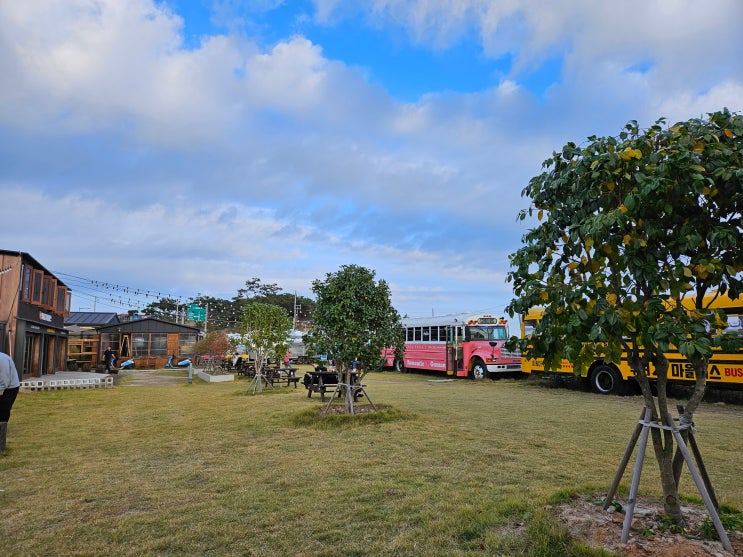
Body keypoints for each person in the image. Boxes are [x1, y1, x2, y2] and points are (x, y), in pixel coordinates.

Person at [0, 351, 21, 452]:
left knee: (3, 408)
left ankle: (2, 431)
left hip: (10, 388)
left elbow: (4, 377)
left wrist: (1, 390)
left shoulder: (2, 359)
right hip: (4, 385)